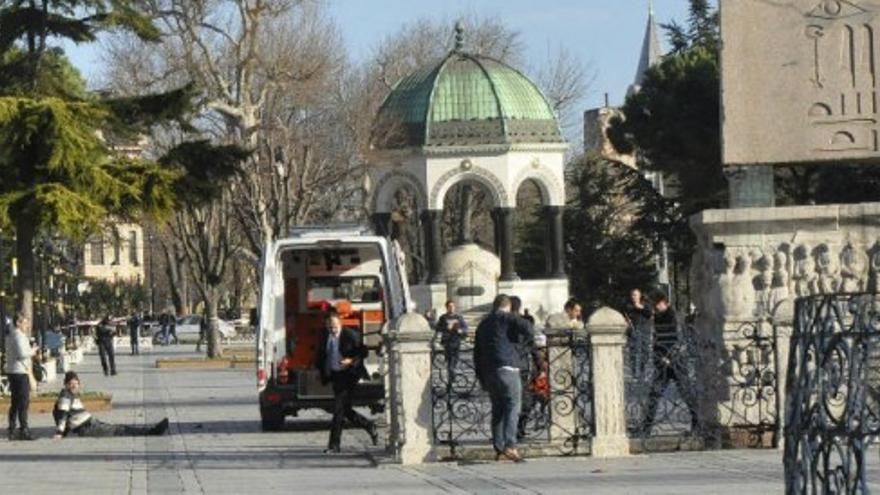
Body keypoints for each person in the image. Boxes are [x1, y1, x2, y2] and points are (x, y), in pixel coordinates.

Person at [473, 294, 535, 463]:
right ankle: (510, 445)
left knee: (498, 409)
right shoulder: (506, 317)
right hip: (507, 367)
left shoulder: (483, 324)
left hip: (489, 371)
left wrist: (481, 376)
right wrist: (521, 347)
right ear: (507, 306)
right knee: (513, 406)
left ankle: (499, 449)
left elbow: (476, 352)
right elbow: (529, 328)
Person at [315, 311, 378, 453]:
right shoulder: (325, 335)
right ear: (326, 326)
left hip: (349, 374)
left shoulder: (350, 335)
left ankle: (334, 445)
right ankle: (368, 425)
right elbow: (321, 354)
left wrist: (351, 361)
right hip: (336, 374)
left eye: (335, 327)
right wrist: (320, 372)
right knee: (345, 410)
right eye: (330, 327)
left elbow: (363, 352)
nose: (333, 330)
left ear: (340, 324)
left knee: (338, 409)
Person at [641, 291, 699, 433]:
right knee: (654, 393)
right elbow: (657, 339)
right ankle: (646, 427)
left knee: (686, 393)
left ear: (664, 302)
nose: (654, 308)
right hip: (662, 362)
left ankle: (698, 422)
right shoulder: (658, 317)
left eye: (656, 305)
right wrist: (658, 356)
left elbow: (678, 339)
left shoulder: (674, 316)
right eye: (653, 305)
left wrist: (669, 356)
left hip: (677, 362)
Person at [53, 371, 169, 438]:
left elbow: (66, 416)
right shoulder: (65, 396)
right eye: (71, 384)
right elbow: (63, 414)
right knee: (120, 430)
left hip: (90, 424)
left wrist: (64, 433)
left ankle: (152, 430)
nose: (74, 386)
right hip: (87, 428)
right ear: (66, 385)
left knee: (119, 429)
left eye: (76, 383)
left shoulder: (69, 395)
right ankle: (153, 431)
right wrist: (59, 433)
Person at [509, 296, 546, 441]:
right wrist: (540, 364)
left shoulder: (499, 322)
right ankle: (519, 429)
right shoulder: (523, 323)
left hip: (505, 366)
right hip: (521, 366)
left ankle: (509, 432)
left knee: (508, 401)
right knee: (525, 400)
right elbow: (531, 344)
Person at [6, 312, 37, 441]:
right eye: (25, 322)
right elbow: (22, 354)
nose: (27, 325)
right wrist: (33, 351)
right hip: (19, 372)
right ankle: (23, 429)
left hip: (14, 371)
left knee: (15, 401)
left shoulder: (14, 335)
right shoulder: (18, 336)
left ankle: (12, 428)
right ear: (18, 323)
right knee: (23, 402)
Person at [435, 300, 468, 383]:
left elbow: (465, 327)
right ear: (446, 308)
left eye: (453, 306)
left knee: (455, 359)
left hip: (456, 340)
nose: (451, 308)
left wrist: (461, 330)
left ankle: (452, 373)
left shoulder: (459, 317)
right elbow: (438, 328)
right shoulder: (443, 318)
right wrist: (446, 328)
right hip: (447, 342)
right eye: (449, 307)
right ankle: (451, 376)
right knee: (449, 361)